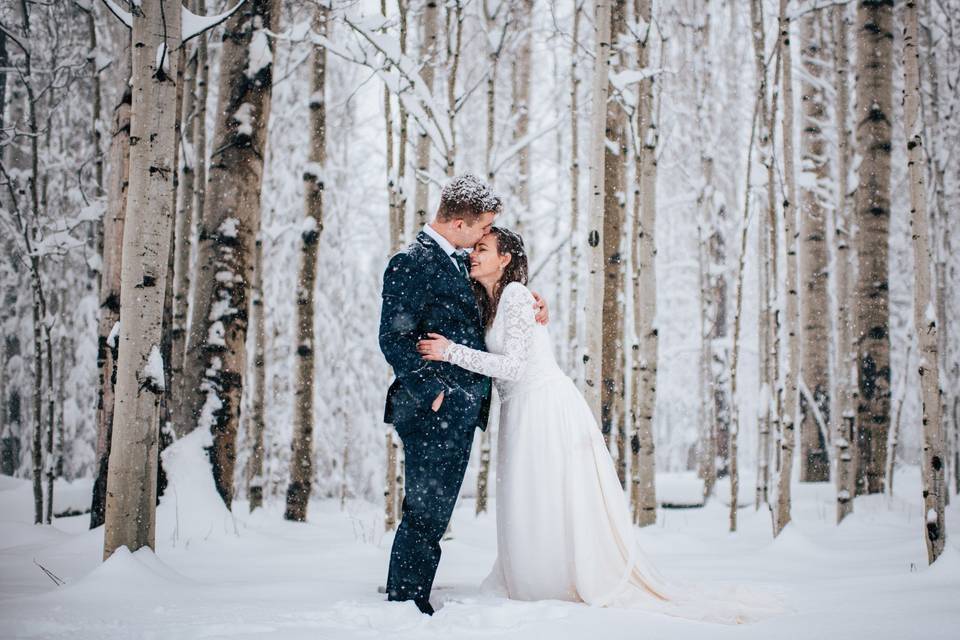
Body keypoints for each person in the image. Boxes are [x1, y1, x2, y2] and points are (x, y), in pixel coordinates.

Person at [418, 227, 782, 624]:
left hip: (544, 405)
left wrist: (450, 352)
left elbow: (516, 366)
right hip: (518, 410)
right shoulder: (489, 300)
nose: (473, 254)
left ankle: (559, 578)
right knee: (528, 496)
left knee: (552, 494)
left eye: (483, 249)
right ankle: (533, 574)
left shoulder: (518, 296)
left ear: (505, 258)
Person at [378, 175, 547, 616]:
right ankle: (406, 600)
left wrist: (531, 304)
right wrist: (431, 389)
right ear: (457, 223)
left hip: (457, 409)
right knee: (427, 510)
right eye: (480, 230)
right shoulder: (411, 262)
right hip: (433, 407)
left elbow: (484, 318)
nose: (480, 241)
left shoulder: (454, 263)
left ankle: (410, 590)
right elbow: (393, 339)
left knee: (433, 508)